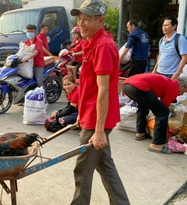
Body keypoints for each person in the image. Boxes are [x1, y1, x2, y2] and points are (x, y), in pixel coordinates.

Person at [70, 0, 130, 204]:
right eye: (80, 19)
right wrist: (80, 112)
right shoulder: (90, 43)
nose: (81, 23)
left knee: (82, 169)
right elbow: (89, 87)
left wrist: (99, 130)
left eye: (87, 19)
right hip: (90, 114)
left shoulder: (103, 46)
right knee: (105, 166)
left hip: (98, 119)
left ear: (100, 21)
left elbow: (104, 90)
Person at [122, 73, 187, 153]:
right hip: (138, 86)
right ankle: (157, 144)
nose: (183, 94)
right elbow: (164, 107)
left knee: (143, 106)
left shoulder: (169, 82)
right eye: (185, 91)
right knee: (163, 112)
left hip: (127, 86)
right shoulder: (174, 87)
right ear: (182, 86)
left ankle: (140, 132)